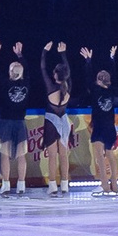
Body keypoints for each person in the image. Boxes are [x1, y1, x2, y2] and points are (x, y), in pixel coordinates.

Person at [0, 41, 37, 197]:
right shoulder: (27, 83)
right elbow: (29, 72)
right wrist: (20, 55)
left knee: (5, 154)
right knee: (20, 155)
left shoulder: (5, 83)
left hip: (6, 121)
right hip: (19, 122)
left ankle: (6, 184)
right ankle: (21, 184)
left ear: (10, 72)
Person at [39, 43, 76, 197]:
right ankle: (65, 185)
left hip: (51, 123)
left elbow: (42, 68)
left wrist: (44, 51)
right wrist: (63, 54)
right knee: (63, 155)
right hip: (63, 121)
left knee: (53, 156)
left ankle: (53, 185)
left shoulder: (50, 87)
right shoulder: (68, 87)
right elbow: (68, 71)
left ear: (55, 75)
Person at [88, 48, 118, 197]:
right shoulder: (111, 91)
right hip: (110, 127)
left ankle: (105, 186)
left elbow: (88, 76)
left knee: (100, 158)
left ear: (98, 81)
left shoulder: (95, 90)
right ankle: (115, 185)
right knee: (110, 155)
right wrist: (112, 58)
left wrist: (88, 61)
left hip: (99, 128)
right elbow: (114, 75)